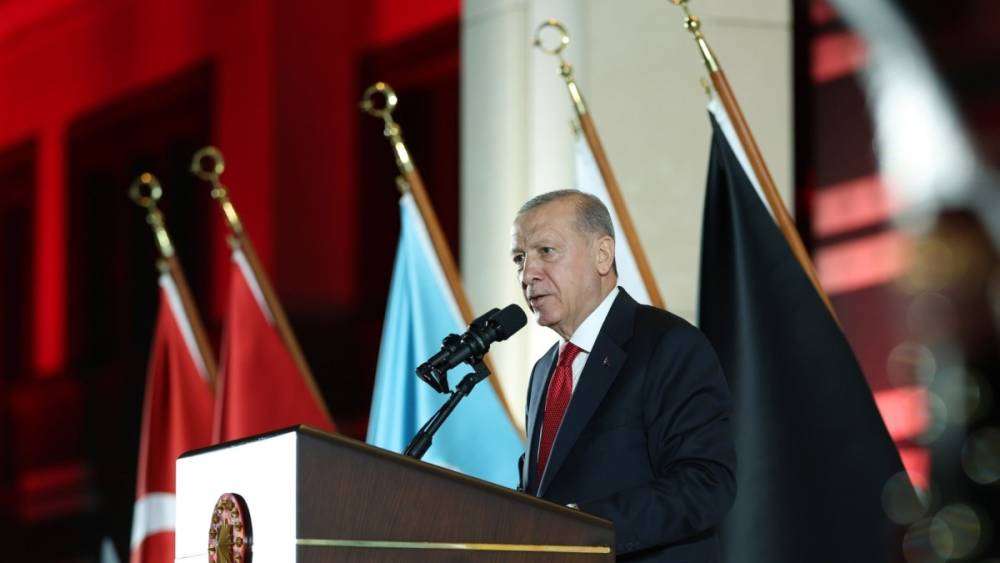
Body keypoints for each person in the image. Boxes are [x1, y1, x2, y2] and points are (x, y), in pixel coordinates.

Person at [511, 190, 736, 562]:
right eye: (519, 258)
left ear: (603, 254)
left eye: (546, 251)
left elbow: (704, 484)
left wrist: (581, 528)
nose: (527, 274)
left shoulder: (668, 344)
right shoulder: (544, 370)